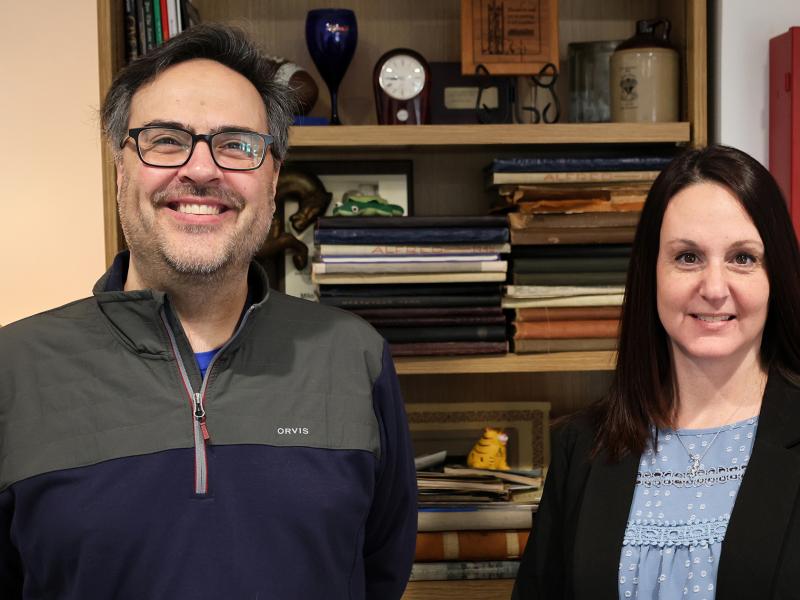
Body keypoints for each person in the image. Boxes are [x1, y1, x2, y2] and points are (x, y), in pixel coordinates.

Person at [0, 24, 417, 599]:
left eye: (236, 144)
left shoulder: (354, 357)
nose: (201, 170)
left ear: (272, 178)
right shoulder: (14, 368)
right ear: (120, 168)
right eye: (166, 140)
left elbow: (379, 572)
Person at [512, 144, 800, 599]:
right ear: (652, 273)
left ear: (776, 274)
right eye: (688, 257)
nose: (714, 288)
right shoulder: (582, 445)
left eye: (742, 258)